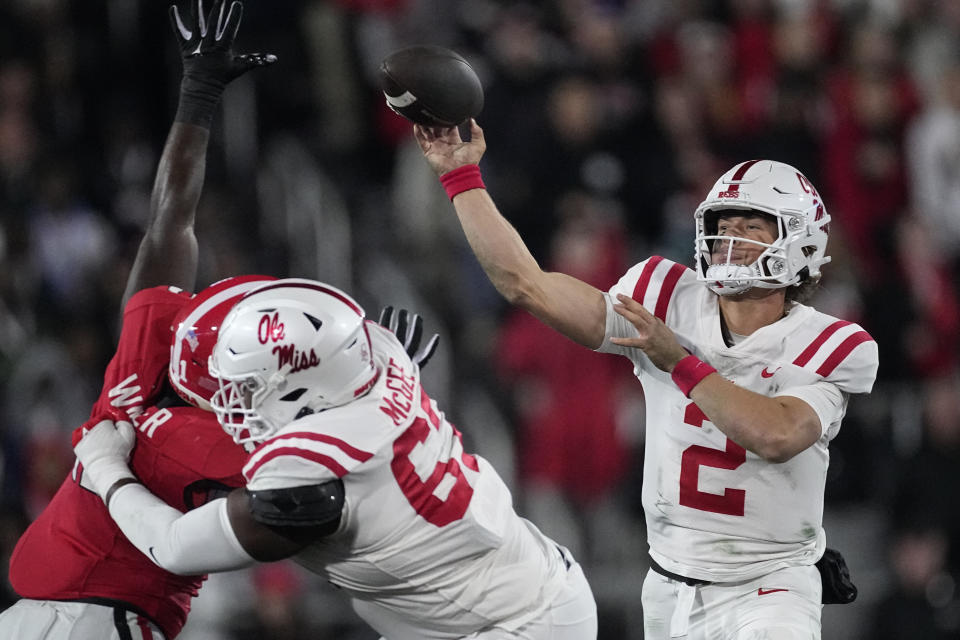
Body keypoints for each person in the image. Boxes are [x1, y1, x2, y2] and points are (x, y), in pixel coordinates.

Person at [411, 122, 878, 639]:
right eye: (725, 221)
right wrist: (461, 178)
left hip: (770, 586)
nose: (731, 238)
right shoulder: (667, 298)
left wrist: (678, 360)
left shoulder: (831, 342)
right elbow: (528, 286)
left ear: (801, 245)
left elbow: (778, 434)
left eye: (753, 226)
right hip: (669, 585)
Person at [73, 277, 599, 640]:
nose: (232, 400)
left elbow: (173, 546)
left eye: (248, 387)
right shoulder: (384, 356)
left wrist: (105, 468)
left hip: (513, 624)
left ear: (301, 388)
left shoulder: (305, 475)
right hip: (510, 591)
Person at [0, 1, 277, 637]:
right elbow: (169, 218)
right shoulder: (153, 359)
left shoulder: (243, 443)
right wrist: (199, 94)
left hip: (112, 621)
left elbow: (299, 511)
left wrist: (377, 395)